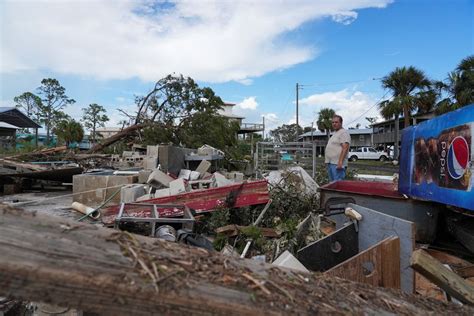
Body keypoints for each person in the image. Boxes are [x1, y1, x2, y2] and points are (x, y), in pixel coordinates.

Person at [325, 115, 351, 182]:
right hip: (331, 163)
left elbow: (345, 148)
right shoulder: (335, 133)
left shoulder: (343, 133)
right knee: (332, 184)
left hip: (337, 164)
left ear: (341, 123)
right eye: (333, 122)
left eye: (336, 122)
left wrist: (340, 162)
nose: (334, 124)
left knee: (338, 184)